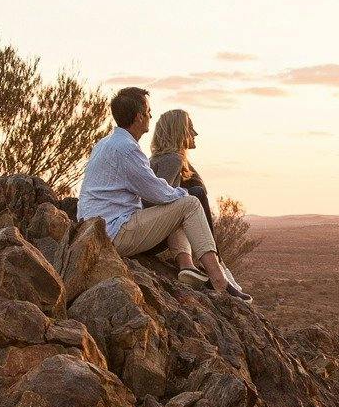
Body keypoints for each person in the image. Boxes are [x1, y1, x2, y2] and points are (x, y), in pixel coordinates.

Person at [79, 87, 250, 301]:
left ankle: (188, 266)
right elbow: (158, 193)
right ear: (139, 116)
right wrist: (184, 196)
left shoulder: (105, 143)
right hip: (115, 232)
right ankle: (219, 278)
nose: (151, 115)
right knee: (190, 203)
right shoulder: (126, 149)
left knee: (179, 205)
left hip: (99, 229)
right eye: (148, 111)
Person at [150, 107, 247, 297]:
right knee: (195, 194)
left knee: (190, 194)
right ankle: (217, 270)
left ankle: (188, 265)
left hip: (157, 230)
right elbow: (160, 201)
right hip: (154, 234)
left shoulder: (164, 159)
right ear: (179, 131)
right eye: (190, 128)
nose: (195, 133)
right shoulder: (172, 159)